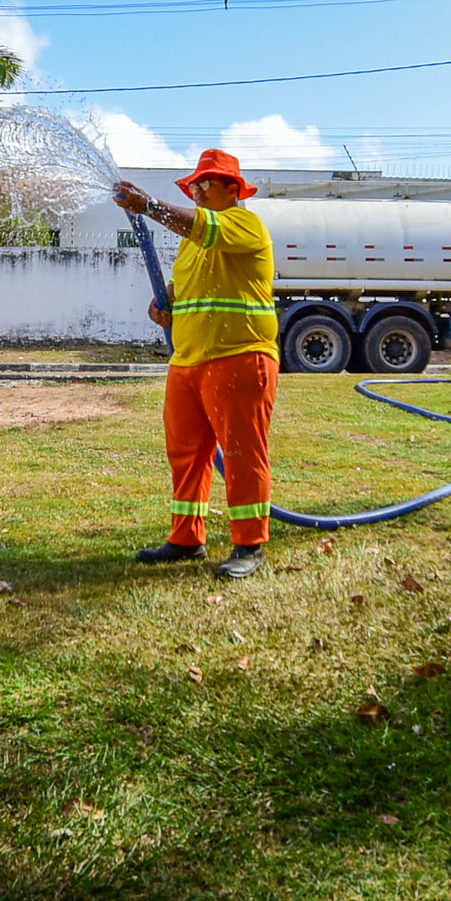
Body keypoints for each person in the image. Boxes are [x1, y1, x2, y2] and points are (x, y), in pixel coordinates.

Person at [113, 149, 278, 580]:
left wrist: (148, 207)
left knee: (242, 453)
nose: (199, 189)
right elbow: (183, 288)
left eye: (207, 183)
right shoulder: (191, 245)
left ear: (233, 189)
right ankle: (186, 538)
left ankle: (249, 544)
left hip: (239, 356)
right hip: (189, 361)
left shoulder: (245, 225)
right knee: (187, 455)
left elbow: (203, 229)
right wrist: (162, 304)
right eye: (196, 184)